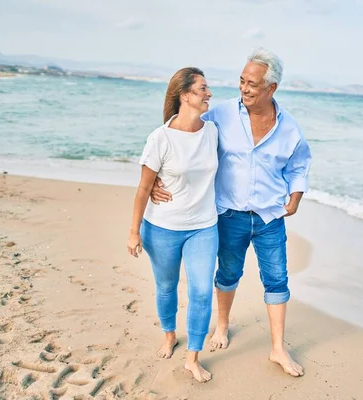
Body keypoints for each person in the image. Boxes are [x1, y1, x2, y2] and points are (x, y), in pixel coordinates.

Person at [151, 48, 311, 377]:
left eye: (252, 84)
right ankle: (222, 325)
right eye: (241, 81)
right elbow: (180, 132)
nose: (244, 88)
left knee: (277, 279)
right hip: (229, 215)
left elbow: (299, 166)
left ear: (272, 88)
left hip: (270, 217)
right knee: (227, 275)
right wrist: (155, 177)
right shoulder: (221, 114)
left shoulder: (289, 128)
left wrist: (296, 196)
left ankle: (278, 349)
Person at [127, 67, 218, 383]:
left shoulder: (213, 131)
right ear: (185, 95)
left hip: (204, 226)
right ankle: (169, 334)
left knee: (203, 291)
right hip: (162, 228)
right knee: (166, 286)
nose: (209, 94)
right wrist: (133, 231)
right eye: (203, 88)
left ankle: (193, 357)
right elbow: (143, 187)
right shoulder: (160, 138)